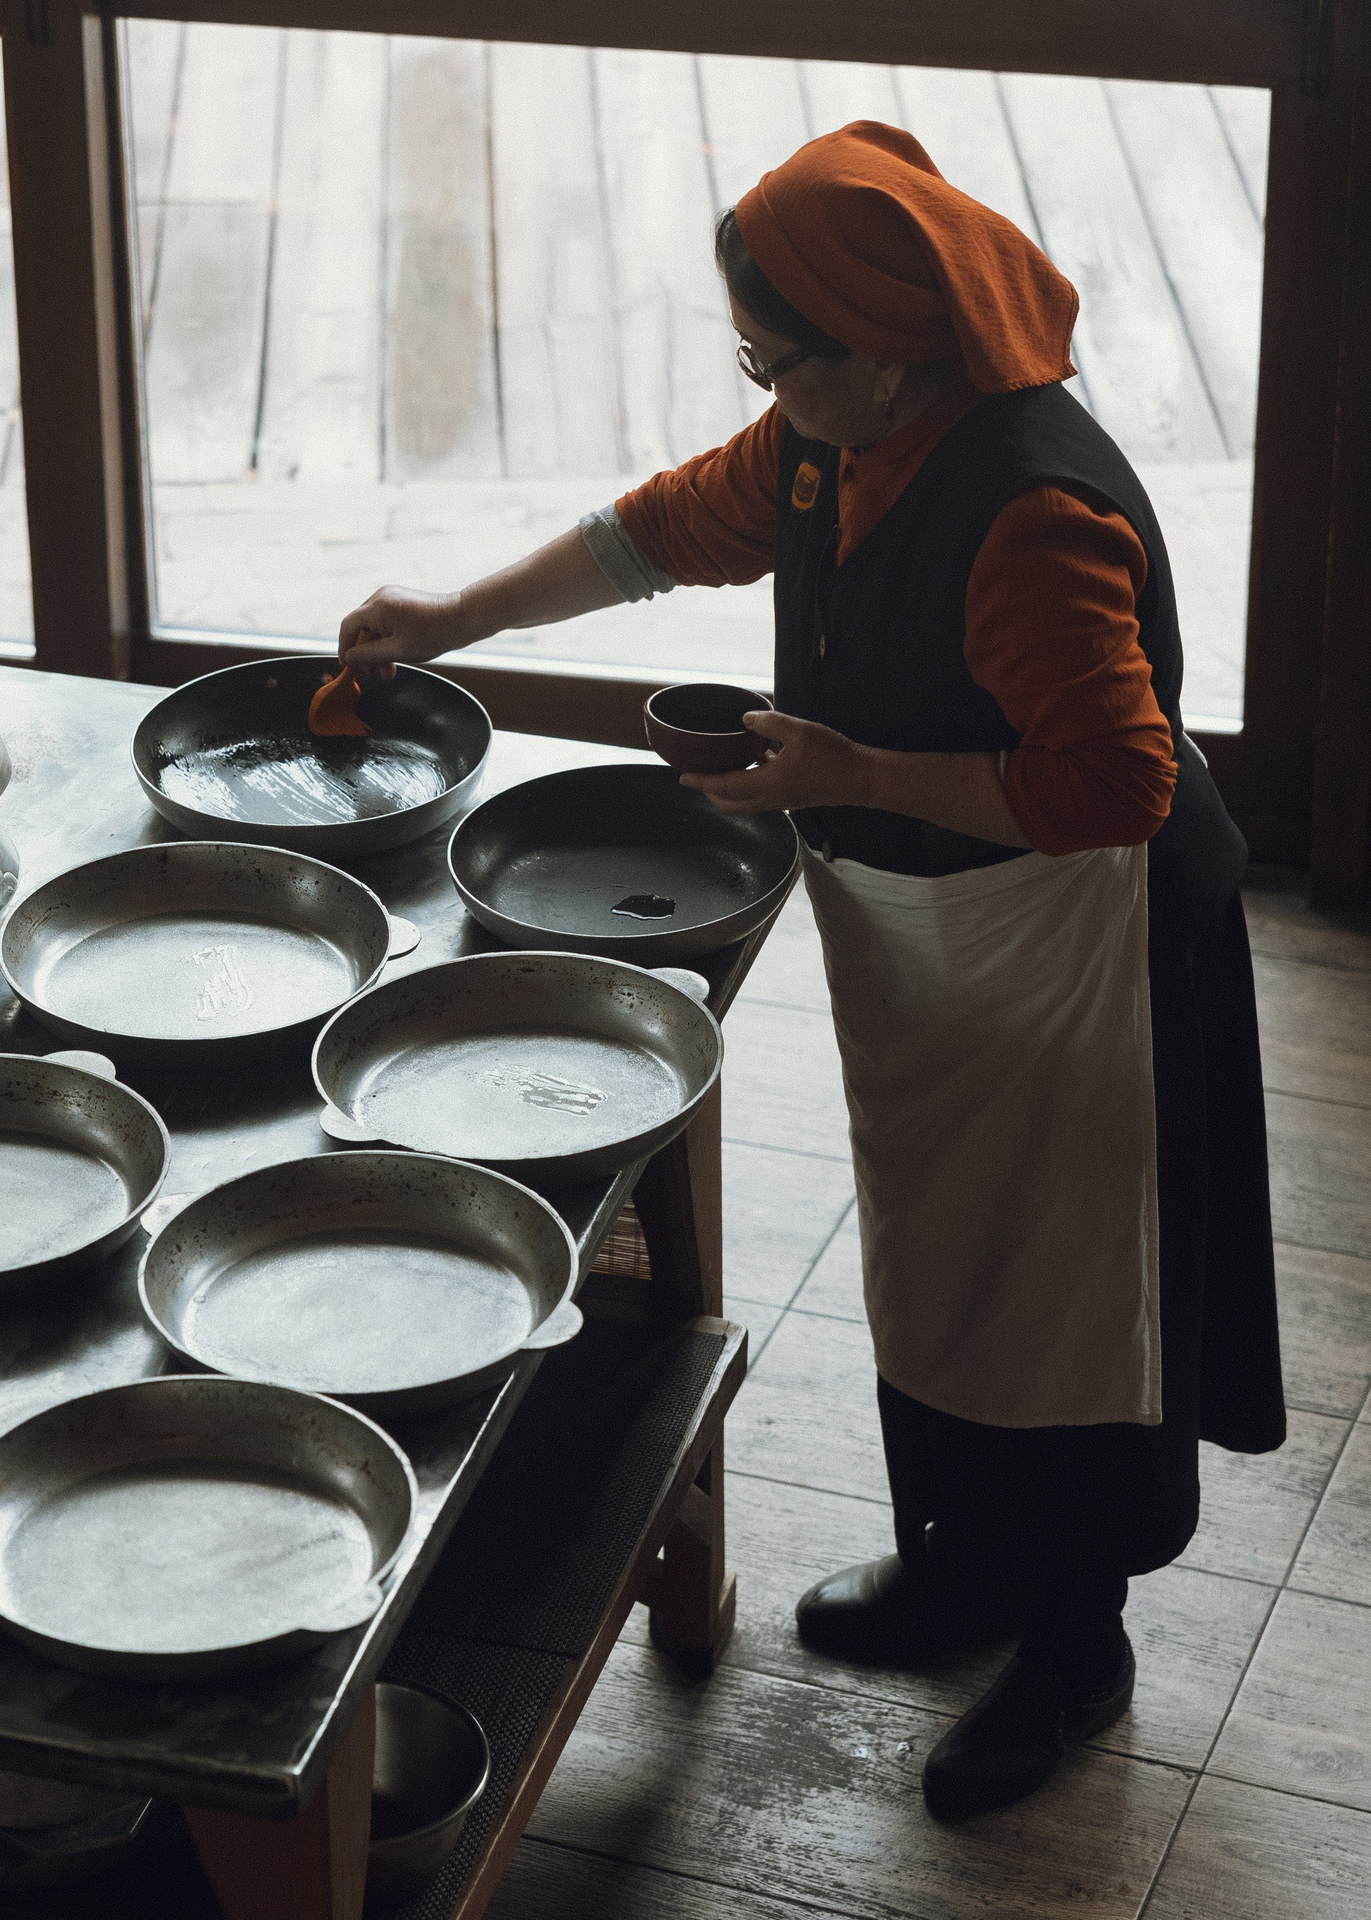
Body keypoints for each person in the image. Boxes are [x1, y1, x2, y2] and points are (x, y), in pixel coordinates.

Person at [334, 121, 1285, 1820]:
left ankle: (1077, 1641)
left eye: (781, 359)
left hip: (1084, 944)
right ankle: (964, 1565)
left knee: (1064, 1296)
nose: (764, 391)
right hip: (936, 920)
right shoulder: (827, 443)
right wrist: (451, 617)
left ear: (894, 350)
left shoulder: (1031, 510)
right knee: (942, 1258)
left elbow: (1116, 782)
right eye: (752, 360)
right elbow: (657, 534)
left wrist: (849, 774)